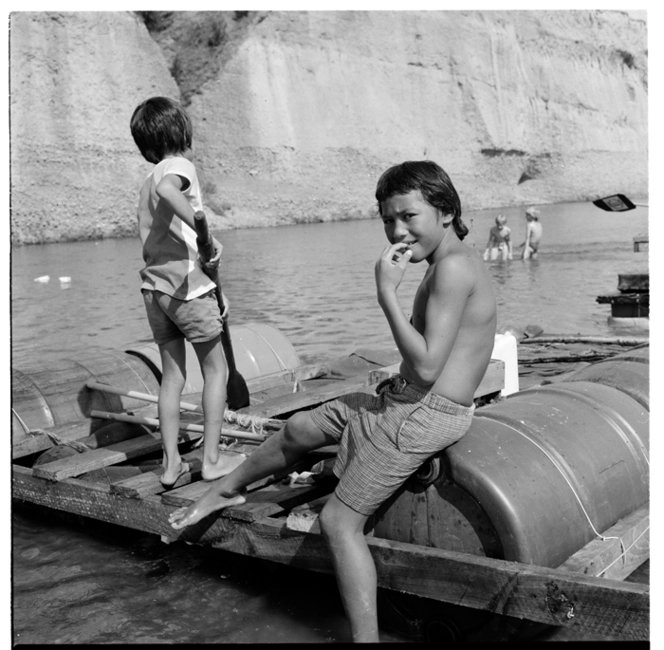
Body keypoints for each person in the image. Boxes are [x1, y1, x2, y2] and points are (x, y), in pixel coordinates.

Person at [168, 160, 497, 642]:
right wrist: (397, 380)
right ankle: (224, 488)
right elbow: (427, 365)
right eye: (388, 219)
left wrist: (385, 293)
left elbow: (429, 367)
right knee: (301, 427)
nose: (397, 231)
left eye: (409, 216)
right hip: (410, 399)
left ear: (446, 211)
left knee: (339, 523)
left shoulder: (452, 270)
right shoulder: (448, 262)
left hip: (425, 415)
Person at [130, 96, 234, 487]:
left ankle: (171, 465)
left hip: (154, 290)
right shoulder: (178, 167)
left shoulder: (145, 183)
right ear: (181, 132)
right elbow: (175, 195)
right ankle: (210, 460)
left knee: (172, 378)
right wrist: (205, 231)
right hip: (186, 289)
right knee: (216, 370)